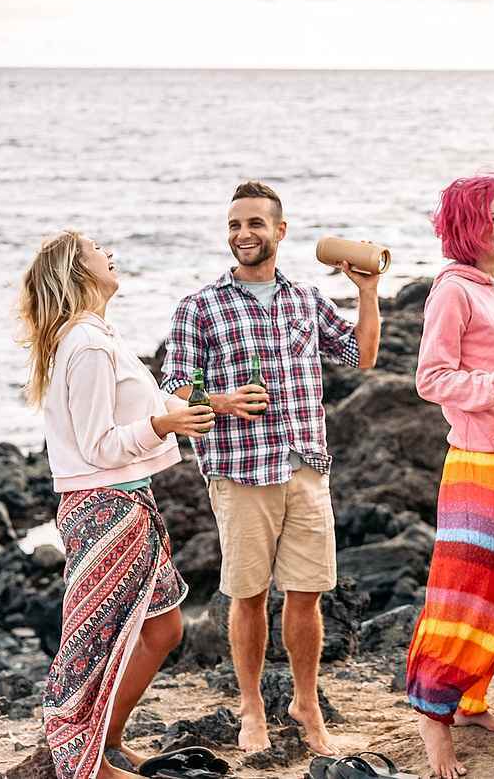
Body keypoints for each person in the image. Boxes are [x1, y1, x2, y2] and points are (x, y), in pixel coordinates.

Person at [160, 181, 382, 754]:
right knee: (248, 595)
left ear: (279, 232)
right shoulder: (199, 307)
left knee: (307, 593)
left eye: (255, 224)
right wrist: (225, 401)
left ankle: (306, 705)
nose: (243, 235)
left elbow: (362, 354)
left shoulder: (305, 299)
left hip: (305, 466)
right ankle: (252, 707)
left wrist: (369, 293)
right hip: (239, 473)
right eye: (235, 225)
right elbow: (177, 391)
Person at [19, 230, 216, 779]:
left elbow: (151, 407)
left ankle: (104, 740)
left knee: (162, 629)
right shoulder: (84, 345)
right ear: (79, 272)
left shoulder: (97, 336)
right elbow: (99, 445)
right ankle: (88, 763)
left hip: (130, 501)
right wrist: (163, 425)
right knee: (97, 641)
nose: (108, 252)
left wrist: (207, 405)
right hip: (105, 509)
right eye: (95, 249)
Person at [407, 174, 494, 779]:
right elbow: (431, 379)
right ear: (468, 224)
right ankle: (433, 724)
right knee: (463, 598)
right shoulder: (453, 292)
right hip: (476, 464)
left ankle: (469, 699)